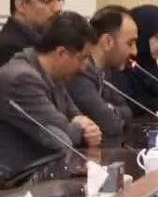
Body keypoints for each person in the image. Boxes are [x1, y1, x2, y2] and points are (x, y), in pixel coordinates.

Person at [0, 12, 101, 178]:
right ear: (61, 53)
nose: (84, 67)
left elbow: (75, 115)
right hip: (14, 182)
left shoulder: (54, 75)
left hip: (44, 173)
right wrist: (82, 130)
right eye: (82, 58)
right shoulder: (22, 79)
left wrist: (81, 124)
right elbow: (61, 134)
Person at [66, 6, 138, 140]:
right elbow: (110, 125)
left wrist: (110, 109)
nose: (135, 51)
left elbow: (128, 111)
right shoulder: (80, 71)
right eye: (130, 43)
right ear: (107, 41)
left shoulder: (105, 70)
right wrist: (111, 111)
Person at [0, 0, 63, 67]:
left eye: (59, 0)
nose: (57, 8)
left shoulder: (47, 39)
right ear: (21, 5)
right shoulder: (9, 49)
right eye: (46, 0)